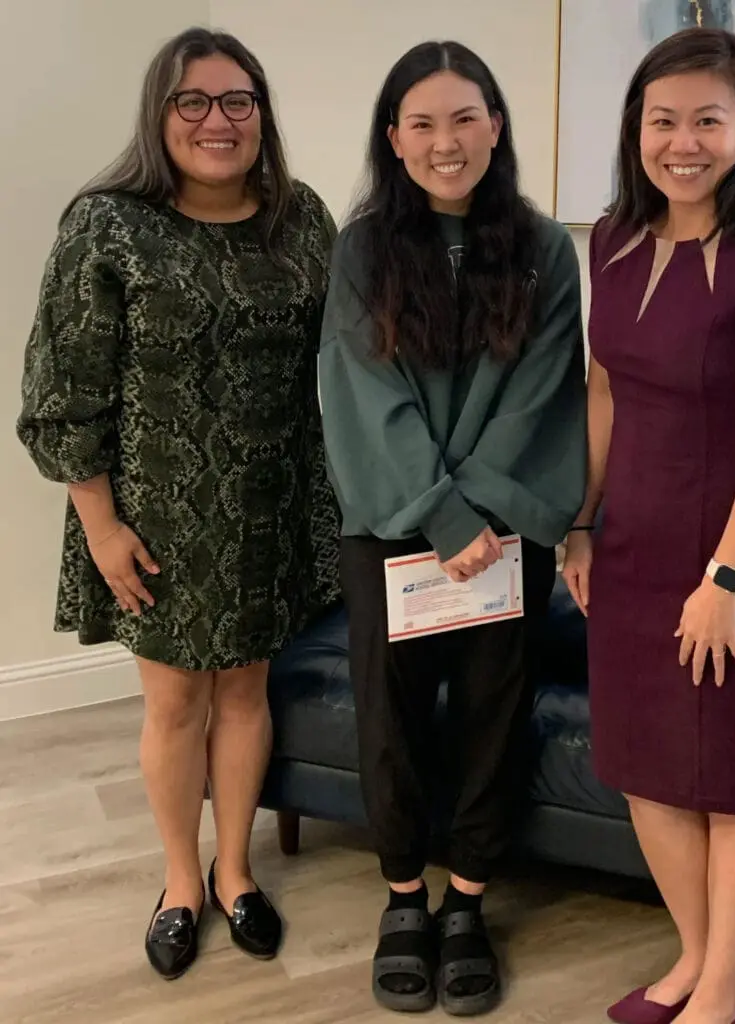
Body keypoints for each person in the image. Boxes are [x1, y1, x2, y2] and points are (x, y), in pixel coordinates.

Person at [16, 28, 341, 980]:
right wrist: (101, 527)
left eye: (238, 100)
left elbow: (352, 351)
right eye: (192, 101)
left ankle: (235, 871)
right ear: (160, 114)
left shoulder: (302, 217)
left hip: (272, 501)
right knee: (174, 704)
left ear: (261, 115)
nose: (217, 120)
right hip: (151, 516)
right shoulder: (107, 224)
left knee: (245, 693)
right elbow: (63, 389)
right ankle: (178, 884)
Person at [562, 27, 735, 1024]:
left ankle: (719, 994)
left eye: (706, 121)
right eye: (661, 120)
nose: (682, 142)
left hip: (734, 560)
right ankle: (690, 954)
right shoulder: (611, 239)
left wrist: (722, 582)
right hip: (628, 546)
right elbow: (603, 394)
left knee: (733, 783)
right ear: (636, 129)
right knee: (646, 770)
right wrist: (578, 522)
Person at [318, 40, 587, 1017]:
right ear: (393, 138)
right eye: (422, 123)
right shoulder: (359, 250)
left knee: (491, 715)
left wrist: (475, 511)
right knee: (389, 722)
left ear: (495, 126)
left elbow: (543, 393)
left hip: (505, 528)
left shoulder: (545, 248)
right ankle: (402, 897)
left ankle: (466, 899)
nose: (445, 141)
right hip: (390, 525)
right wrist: (435, 511)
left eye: (464, 118)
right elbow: (358, 392)